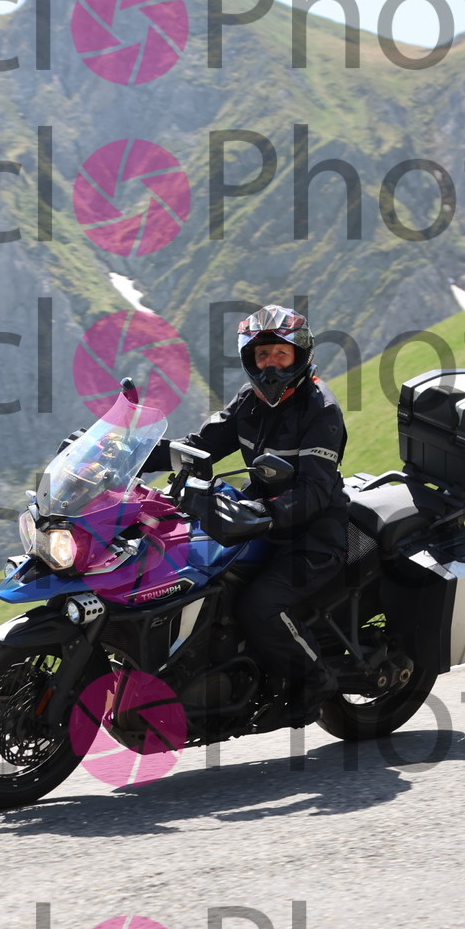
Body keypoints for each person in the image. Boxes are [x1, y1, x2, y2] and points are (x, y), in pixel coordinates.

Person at [143, 305, 348, 725]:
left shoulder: (320, 409)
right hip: (260, 518)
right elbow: (198, 448)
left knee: (260, 604)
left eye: (280, 354)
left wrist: (263, 513)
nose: (270, 364)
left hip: (314, 532)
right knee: (198, 572)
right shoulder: (248, 401)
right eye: (262, 355)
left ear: (300, 355)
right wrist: (128, 455)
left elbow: (314, 491)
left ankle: (316, 680)